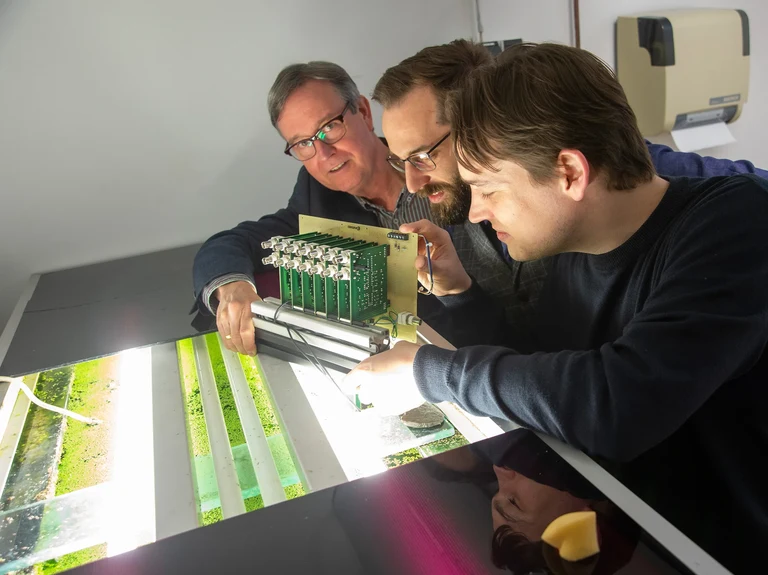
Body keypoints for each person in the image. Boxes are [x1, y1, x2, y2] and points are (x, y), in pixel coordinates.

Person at [349, 42, 768, 573]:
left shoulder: (736, 220)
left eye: (488, 189)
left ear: (569, 171)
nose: (475, 209)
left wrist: (427, 372)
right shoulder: (579, 244)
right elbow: (537, 366)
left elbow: (618, 402)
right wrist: (460, 292)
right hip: (629, 523)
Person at [371, 39, 768, 330]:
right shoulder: (435, 211)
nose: (412, 181)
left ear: (483, 123)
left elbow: (616, 394)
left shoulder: (629, 185)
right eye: (400, 161)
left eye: (423, 156)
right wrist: (457, 291)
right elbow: (539, 358)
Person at [192, 61, 437, 355]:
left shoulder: (436, 169)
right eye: (303, 144)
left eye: (330, 127)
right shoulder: (316, 194)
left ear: (364, 111)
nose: (324, 154)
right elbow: (229, 243)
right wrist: (232, 286)